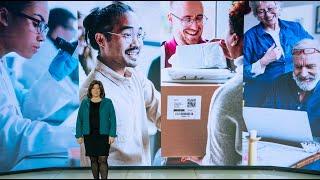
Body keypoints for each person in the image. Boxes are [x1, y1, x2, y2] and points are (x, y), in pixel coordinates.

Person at [0, 1, 79, 172]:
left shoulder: (3, 65)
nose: (42, 36)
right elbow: (9, 138)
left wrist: (53, 77)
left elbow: (24, 109)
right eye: (36, 23)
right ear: (4, 17)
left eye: (43, 27)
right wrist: (78, 137)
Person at [80, 2, 161, 166]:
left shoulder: (134, 76)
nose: (137, 43)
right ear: (101, 39)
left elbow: (163, 113)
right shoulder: (94, 92)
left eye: (139, 35)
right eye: (127, 35)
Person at [180, 1, 251, 166]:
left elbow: (218, 169)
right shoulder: (282, 82)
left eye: (199, 18)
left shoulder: (227, 94)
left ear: (234, 39)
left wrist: (207, 159)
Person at [15, 7, 78, 124]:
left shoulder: (51, 51)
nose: (74, 34)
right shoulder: (43, 51)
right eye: (35, 24)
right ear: (58, 30)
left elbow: (25, 108)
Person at [243, 1, 313, 107]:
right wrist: (263, 62)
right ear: (256, 14)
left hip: (291, 93)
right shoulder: (249, 37)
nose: (268, 15)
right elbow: (242, 73)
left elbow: (314, 48)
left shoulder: (295, 28)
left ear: (278, 7)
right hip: (262, 95)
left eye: (271, 9)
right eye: (261, 11)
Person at [263, 39, 320, 138]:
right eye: (298, 67)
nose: (303, 74)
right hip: (280, 146)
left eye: (310, 67)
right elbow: (265, 119)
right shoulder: (280, 82)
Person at [76, 80, 117, 179]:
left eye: (98, 88)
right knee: (93, 160)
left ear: (101, 90)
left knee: (103, 160)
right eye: (93, 88)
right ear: (90, 90)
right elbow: (79, 119)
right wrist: (78, 135)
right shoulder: (85, 103)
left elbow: (113, 119)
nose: (96, 90)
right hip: (89, 135)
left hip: (103, 135)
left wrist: (112, 134)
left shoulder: (107, 102)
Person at [162, 1, 208, 68]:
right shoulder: (160, 60)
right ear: (171, 19)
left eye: (199, 18)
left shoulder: (217, 53)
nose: (195, 27)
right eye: (187, 19)